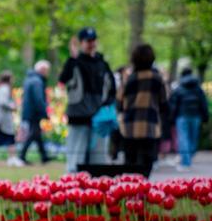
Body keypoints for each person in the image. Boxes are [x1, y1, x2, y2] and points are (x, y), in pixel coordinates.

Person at [58, 27, 116, 172]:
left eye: (93, 40)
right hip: (79, 116)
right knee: (75, 157)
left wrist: (106, 106)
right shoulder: (75, 62)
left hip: (99, 118)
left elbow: (112, 89)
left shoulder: (102, 63)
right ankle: (72, 187)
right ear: (81, 43)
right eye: (87, 41)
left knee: (98, 158)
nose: (91, 44)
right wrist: (72, 57)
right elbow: (63, 79)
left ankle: (96, 188)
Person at [117, 44, 169, 177]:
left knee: (130, 166)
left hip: (130, 127)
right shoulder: (157, 78)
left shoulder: (130, 79)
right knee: (146, 165)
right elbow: (164, 103)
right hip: (150, 126)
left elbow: (120, 102)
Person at [170, 68, 209, 171]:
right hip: (196, 115)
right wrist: (205, 117)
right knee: (193, 137)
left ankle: (186, 162)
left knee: (183, 138)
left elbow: (174, 104)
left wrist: (171, 118)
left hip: (182, 115)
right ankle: (189, 157)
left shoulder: (179, 87)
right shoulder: (198, 88)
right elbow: (203, 102)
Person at [19, 60, 53, 164]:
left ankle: (44, 156)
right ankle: (22, 155)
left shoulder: (30, 79)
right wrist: (44, 112)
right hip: (34, 112)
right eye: (47, 70)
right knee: (33, 133)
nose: (47, 73)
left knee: (36, 134)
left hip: (29, 111)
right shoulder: (37, 81)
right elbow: (38, 99)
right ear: (42, 70)